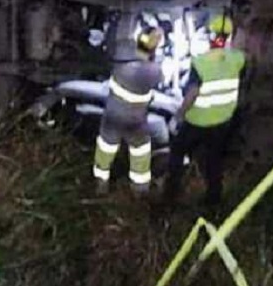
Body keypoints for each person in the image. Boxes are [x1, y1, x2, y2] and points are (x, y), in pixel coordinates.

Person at [164, 12, 246, 208]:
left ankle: (171, 193)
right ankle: (213, 201)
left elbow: (192, 94)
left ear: (210, 36)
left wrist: (178, 116)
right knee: (214, 161)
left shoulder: (200, 62)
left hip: (198, 120)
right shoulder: (238, 59)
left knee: (177, 150)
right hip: (223, 120)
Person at [92, 15, 165, 195]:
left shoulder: (122, 54)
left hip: (113, 116)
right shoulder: (154, 70)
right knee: (140, 154)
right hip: (136, 120)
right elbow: (160, 82)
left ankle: (100, 185)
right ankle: (139, 191)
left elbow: (112, 44)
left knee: (105, 149)